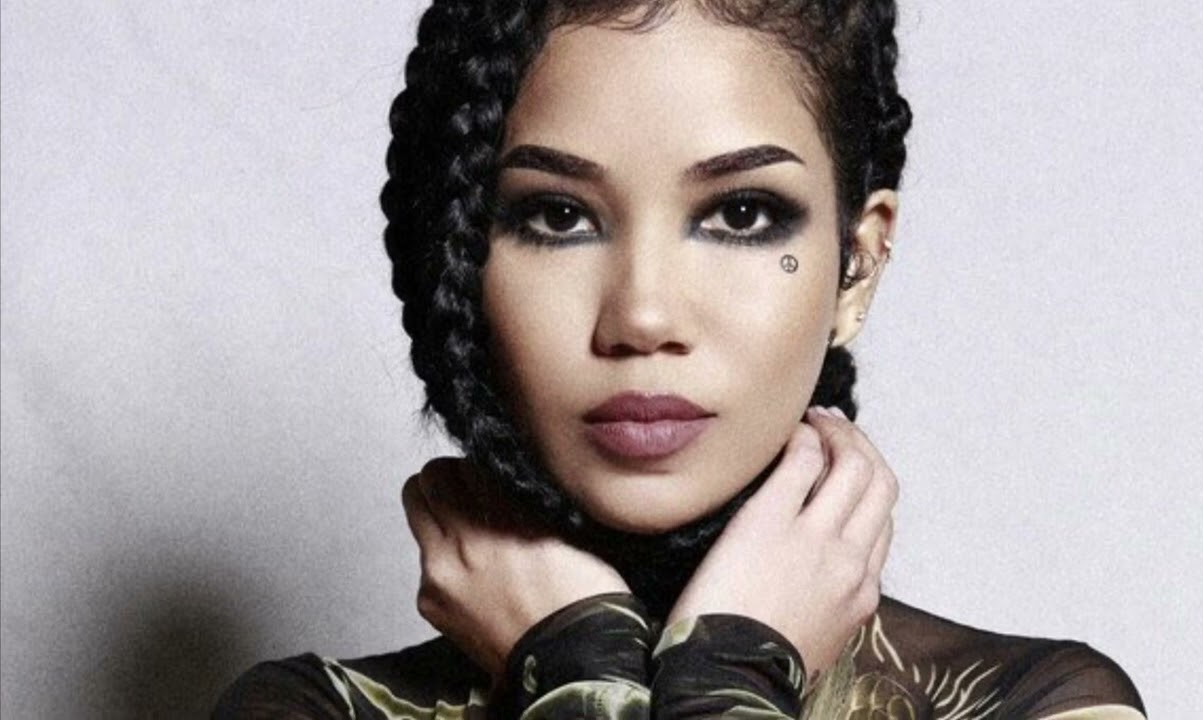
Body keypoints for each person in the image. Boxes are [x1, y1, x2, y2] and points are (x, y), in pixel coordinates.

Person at [216, 1, 1146, 717]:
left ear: (855, 267)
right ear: (460, 262)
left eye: (741, 214)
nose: (643, 316)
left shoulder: (1038, 703)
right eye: (558, 216)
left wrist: (726, 668)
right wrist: (576, 667)